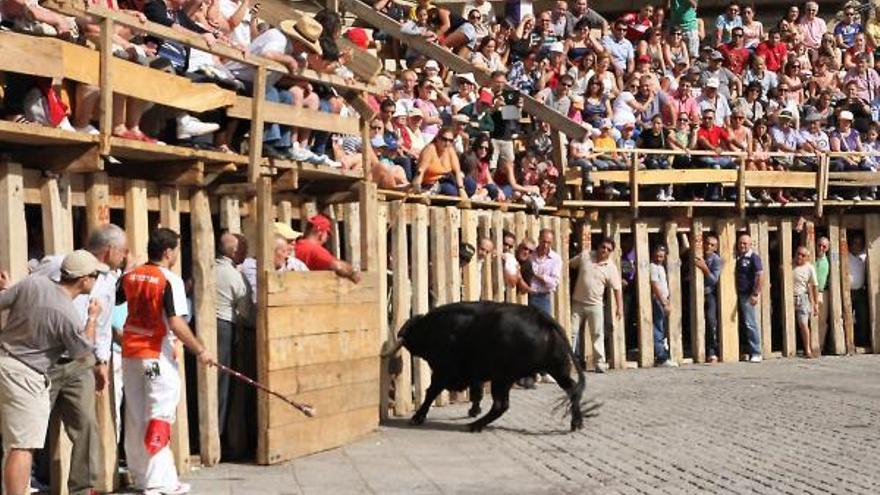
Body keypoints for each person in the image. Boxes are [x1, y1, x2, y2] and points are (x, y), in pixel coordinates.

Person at [29, 224, 129, 495]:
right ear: (109, 251)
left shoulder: (108, 279)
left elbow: (104, 324)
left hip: (79, 362)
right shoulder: (58, 265)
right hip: (45, 360)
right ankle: (20, 482)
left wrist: (101, 362)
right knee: (31, 426)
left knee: (85, 425)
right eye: (123, 251)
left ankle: (83, 488)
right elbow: (30, 279)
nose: (126, 257)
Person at [119, 228, 215, 495]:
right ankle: (160, 483)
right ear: (168, 252)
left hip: (130, 354)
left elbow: (116, 302)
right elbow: (176, 322)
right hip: (156, 354)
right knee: (159, 415)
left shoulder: (131, 275)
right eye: (176, 250)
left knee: (136, 415)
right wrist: (200, 350)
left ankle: (142, 477)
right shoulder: (169, 280)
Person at [0, 251, 104, 495]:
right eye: (94, 275)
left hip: (5, 361)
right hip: (26, 376)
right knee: (23, 447)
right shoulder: (65, 314)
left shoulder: (33, 283)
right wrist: (92, 318)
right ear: (84, 280)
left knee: (14, 442)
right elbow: (82, 351)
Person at [214, 232, 253, 441]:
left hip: (199, 327)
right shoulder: (235, 276)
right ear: (236, 251)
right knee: (222, 383)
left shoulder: (206, 268)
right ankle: (218, 434)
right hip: (224, 328)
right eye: (244, 249)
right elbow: (245, 312)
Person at [569, 237, 622, 373]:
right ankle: (567, 361)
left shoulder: (610, 267)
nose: (605, 250)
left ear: (611, 252)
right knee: (572, 333)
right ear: (598, 247)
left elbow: (617, 288)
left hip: (595, 304)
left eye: (608, 249)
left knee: (597, 334)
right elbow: (570, 264)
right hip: (578, 302)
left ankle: (599, 362)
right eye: (603, 247)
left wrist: (619, 307)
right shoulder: (586, 256)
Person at [295, 214, 362, 283]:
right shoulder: (314, 250)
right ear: (320, 233)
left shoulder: (295, 246)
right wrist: (353, 272)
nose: (327, 238)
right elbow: (338, 266)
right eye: (327, 234)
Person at [735, 233, 763, 362]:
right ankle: (746, 350)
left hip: (748, 295)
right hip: (738, 293)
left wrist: (755, 294)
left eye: (745, 243)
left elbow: (760, 276)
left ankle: (756, 352)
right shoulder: (738, 257)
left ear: (750, 244)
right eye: (740, 243)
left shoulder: (753, 258)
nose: (742, 245)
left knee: (750, 323)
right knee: (742, 323)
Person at [694, 232, 721, 363]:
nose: (708, 246)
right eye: (707, 243)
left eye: (712, 245)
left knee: (711, 321)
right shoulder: (697, 255)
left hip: (709, 293)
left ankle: (712, 351)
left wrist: (704, 268)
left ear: (716, 248)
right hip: (695, 293)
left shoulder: (716, 260)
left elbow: (713, 280)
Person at [649, 245, 677, 367]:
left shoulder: (660, 267)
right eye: (657, 255)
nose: (659, 258)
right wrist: (664, 302)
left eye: (661, 256)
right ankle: (661, 357)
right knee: (658, 327)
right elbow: (655, 285)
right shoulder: (653, 267)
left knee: (662, 328)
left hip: (663, 299)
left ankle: (664, 354)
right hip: (658, 300)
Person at [793, 246, 819, 359]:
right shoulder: (789, 264)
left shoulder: (809, 268)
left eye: (803, 255)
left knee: (803, 323)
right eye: (798, 253)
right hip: (788, 297)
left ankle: (807, 349)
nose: (799, 256)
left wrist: (815, 304)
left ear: (807, 257)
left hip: (802, 297)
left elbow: (814, 286)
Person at [528, 229, 561, 316]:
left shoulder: (556, 259)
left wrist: (536, 275)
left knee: (543, 327)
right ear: (539, 239)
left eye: (549, 243)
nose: (546, 245)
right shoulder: (530, 254)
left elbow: (553, 283)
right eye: (543, 241)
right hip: (526, 296)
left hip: (542, 297)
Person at [849, 234, 869, 347]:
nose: (857, 245)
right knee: (846, 317)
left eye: (860, 243)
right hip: (848, 291)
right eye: (855, 242)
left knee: (862, 316)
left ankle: (861, 341)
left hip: (860, 291)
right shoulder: (845, 255)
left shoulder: (864, 256)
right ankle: (849, 341)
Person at [814, 236, 831, 355]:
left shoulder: (830, 260)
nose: (821, 248)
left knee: (822, 321)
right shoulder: (810, 259)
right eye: (819, 245)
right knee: (810, 319)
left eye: (824, 246)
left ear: (828, 248)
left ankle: (819, 346)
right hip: (810, 292)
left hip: (823, 292)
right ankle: (810, 346)